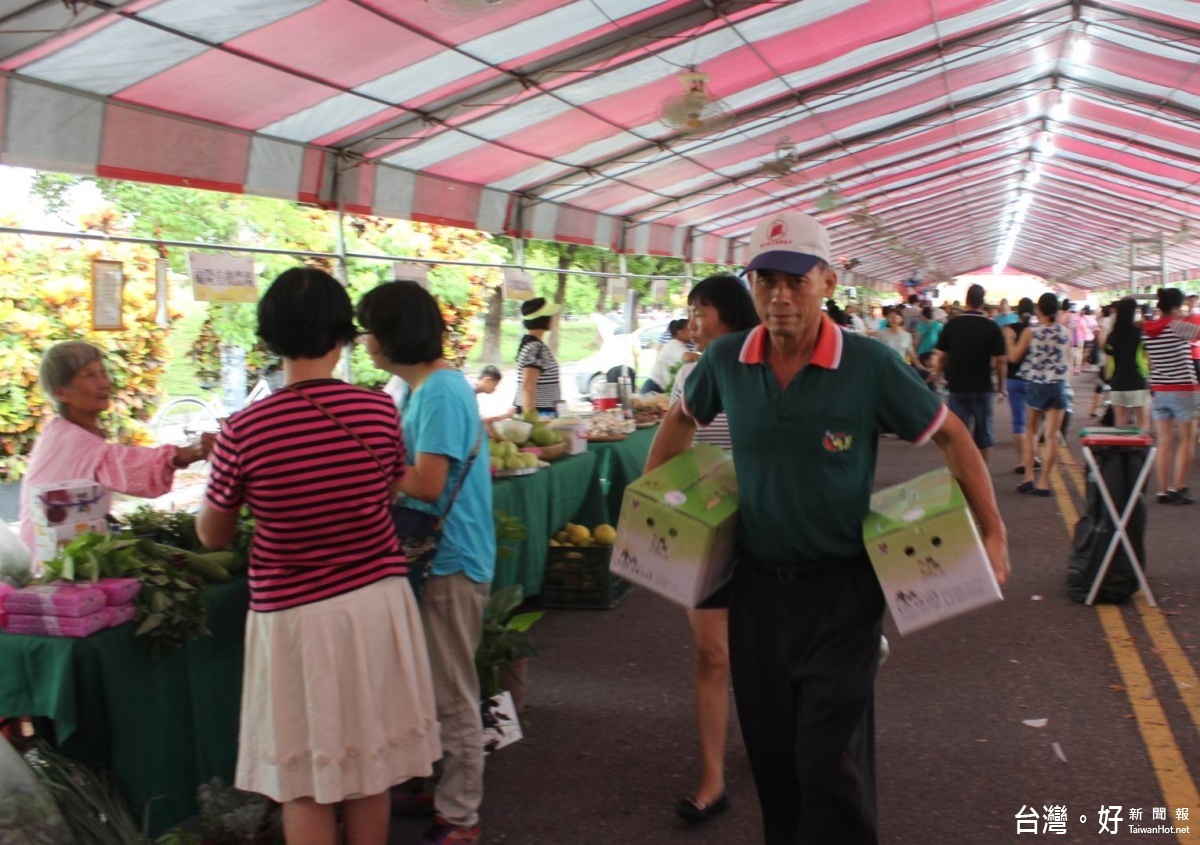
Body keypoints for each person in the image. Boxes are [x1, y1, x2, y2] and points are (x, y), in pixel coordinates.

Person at [646, 211, 1009, 845]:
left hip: (842, 592)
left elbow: (953, 437)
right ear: (751, 285)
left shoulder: (868, 364)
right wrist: (656, 508)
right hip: (756, 590)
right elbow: (678, 421)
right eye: (765, 281)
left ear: (827, 282)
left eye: (796, 280)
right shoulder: (727, 358)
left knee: (828, 762)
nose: (779, 297)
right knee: (775, 762)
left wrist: (994, 532)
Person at [196, 268, 441, 845]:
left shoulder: (243, 430)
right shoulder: (378, 411)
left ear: (270, 337)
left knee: (305, 781)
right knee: (368, 768)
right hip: (376, 604)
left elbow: (212, 536)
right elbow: (383, 496)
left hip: (294, 617)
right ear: (341, 338)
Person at [357, 281, 495, 845]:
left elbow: (428, 481)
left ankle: (461, 813)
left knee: (450, 687)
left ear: (393, 335)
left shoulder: (439, 391)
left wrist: (362, 462)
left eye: (370, 329)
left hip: (450, 558)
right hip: (432, 555)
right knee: (428, 680)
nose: (364, 341)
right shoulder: (415, 388)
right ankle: (439, 782)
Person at [666, 274, 760, 825]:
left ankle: (777, 738)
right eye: (691, 312)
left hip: (767, 525)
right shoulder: (690, 373)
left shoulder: (763, 370)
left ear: (729, 313)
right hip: (705, 526)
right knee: (711, 652)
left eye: (702, 311)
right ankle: (711, 780)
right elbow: (677, 446)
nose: (693, 322)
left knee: (769, 646)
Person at [19, 341, 213, 556]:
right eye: (90, 375)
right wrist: (191, 451)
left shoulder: (63, 431)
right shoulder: (69, 439)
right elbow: (125, 465)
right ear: (61, 393)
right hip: (47, 562)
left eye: (103, 373)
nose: (104, 383)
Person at [931, 283, 1007, 464]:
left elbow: (941, 357)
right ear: (983, 303)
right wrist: (1002, 387)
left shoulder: (952, 325)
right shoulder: (992, 327)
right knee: (984, 434)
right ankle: (982, 476)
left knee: (958, 434)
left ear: (966, 301)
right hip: (983, 387)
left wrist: (938, 376)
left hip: (956, 387)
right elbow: (1001, 361)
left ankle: (962, 475)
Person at [1007, 293, 1070, 497]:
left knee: (1031, 432)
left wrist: (1008, 339)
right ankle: (1043, 483)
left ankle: (1028, 477)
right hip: (1058, 386)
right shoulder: (1065, 332)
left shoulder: (1030, 332)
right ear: (1057, 310)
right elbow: (1067, 361)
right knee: (1051, 436)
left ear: (1039, 310)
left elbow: (1014, 357)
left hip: (1035, 384)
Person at [1142, 287, 1200, 504]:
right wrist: (1186, 317)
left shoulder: (1148, 329)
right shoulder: (1177, 327)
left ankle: (1162, 491)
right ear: (1176, 306)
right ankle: (1178, 487)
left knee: (1164, 442)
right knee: (1186, 441)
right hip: (1184, 389)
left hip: (1159, 390)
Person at [1001, 298, 1040, 475]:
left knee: (1019, 421)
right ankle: (1033, 457)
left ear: (1016, 311)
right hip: (1034, 380)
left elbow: (1010, 357)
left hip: (1014, 379)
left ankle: (1022, 460)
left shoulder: (1009, 329)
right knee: (1034, 422)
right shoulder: (1038, 330)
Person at [1103, 297, 1149, 430]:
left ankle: (1121, 449)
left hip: (1117, 382)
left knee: (1120, 422)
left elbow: (1108, 354)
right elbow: (1147, 355)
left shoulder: (1112, 335)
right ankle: (1139, 450)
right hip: (1136, 380)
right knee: (1141, 423)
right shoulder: (1139, 333)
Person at [513, 298, 562, 416]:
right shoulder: (535, 348)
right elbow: (528, 386)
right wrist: (531, 421)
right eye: (550, 315)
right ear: (543, 320)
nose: (553, 319)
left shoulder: (532, 345)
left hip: (542, 412)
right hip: (540, 413)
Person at [644, 318, 695, 394]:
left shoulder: (678, 345)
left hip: (658, 387)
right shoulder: (675, 344)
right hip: (654, 388)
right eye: (689, 330)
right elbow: (687, 357)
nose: (692, 332)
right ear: (680, 332)